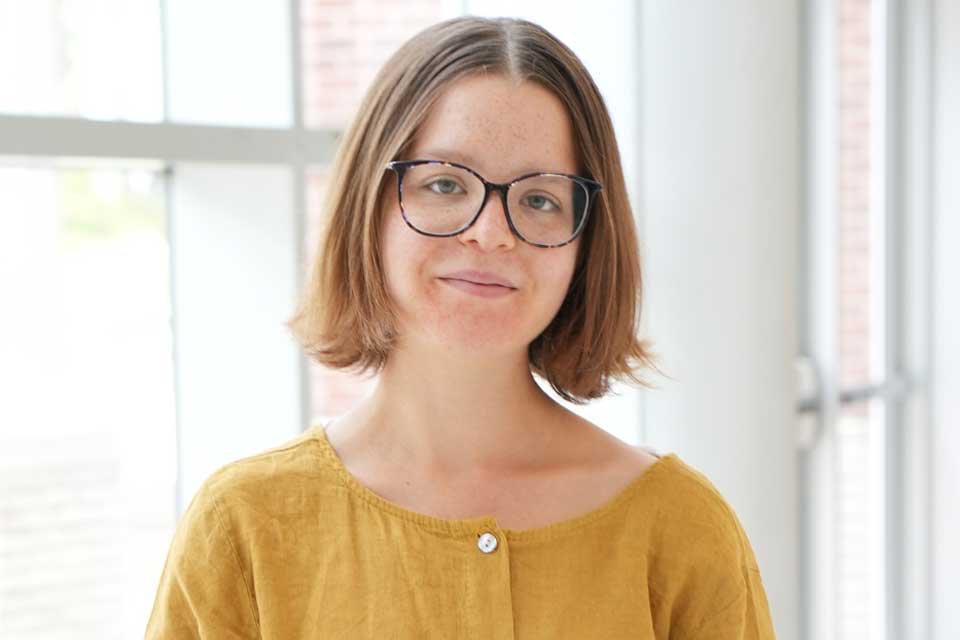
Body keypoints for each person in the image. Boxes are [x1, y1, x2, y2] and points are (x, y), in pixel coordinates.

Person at [145, 15, 776, 639]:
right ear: (370, 206)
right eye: (445, 184)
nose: (490, 231)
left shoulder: (680, 527)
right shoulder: (243, 527)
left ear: (587, 242)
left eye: (539, 199)